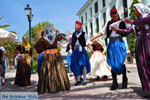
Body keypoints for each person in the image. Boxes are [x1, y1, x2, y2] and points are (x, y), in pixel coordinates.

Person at [111, 3, 150, 92]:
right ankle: (148, 87)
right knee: (142, 65)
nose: (133, 12)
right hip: (140, 44)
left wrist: (132, 21)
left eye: (134, 10)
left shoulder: (147, 16)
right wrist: (117, 30)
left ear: (139, 9)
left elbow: (145, 20)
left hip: (148, 41)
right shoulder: (136, 22)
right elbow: (127, 31)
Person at [90, 8, 128, 90]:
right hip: (111, 44)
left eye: (116, 16)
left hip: (119, 43)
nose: (115, 18)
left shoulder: (121, 22)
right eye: (113, 16)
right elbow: (101, 32)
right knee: (113, 63)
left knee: (121, 62)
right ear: (111, 16)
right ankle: (114, 82)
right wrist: (92, 38)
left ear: (118, 14)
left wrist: (118, 30)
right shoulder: (108, 23)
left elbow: (127, 31)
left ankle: (124, 78)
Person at [34, 25, 70, 94]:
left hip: (47, 55)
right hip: (56, 54)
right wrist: (58, 32)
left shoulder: (43, 38)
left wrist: (41, 52)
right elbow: (60, 37)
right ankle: (60, 85)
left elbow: (36, 45)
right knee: (58, 70)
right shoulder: (55, 37)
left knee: (49, 71)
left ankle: (50, 87)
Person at [71, 21, 92, 85]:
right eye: (75, 25)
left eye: (77, 25)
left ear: (80, 26)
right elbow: (67, 39)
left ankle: (84, 79)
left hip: (82, 51)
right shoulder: (73, 34)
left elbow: (88, 42)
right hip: (75, 51)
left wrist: (91, 49)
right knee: (75, 65)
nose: (75, 26)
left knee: (83, 65)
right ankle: (78, 80)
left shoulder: (84, 34)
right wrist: (59, 34)